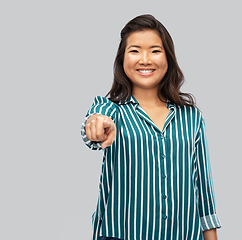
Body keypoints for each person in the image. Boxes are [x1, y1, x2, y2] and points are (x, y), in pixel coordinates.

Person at [81, 14, 221, 240]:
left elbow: (203, 190)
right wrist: (97, 125)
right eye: (135, 51)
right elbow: (94, 125)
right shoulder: (112, 110)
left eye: (155, 51)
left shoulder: (192, 118)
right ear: (122, 60)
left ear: (168, 58)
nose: (145, 59)